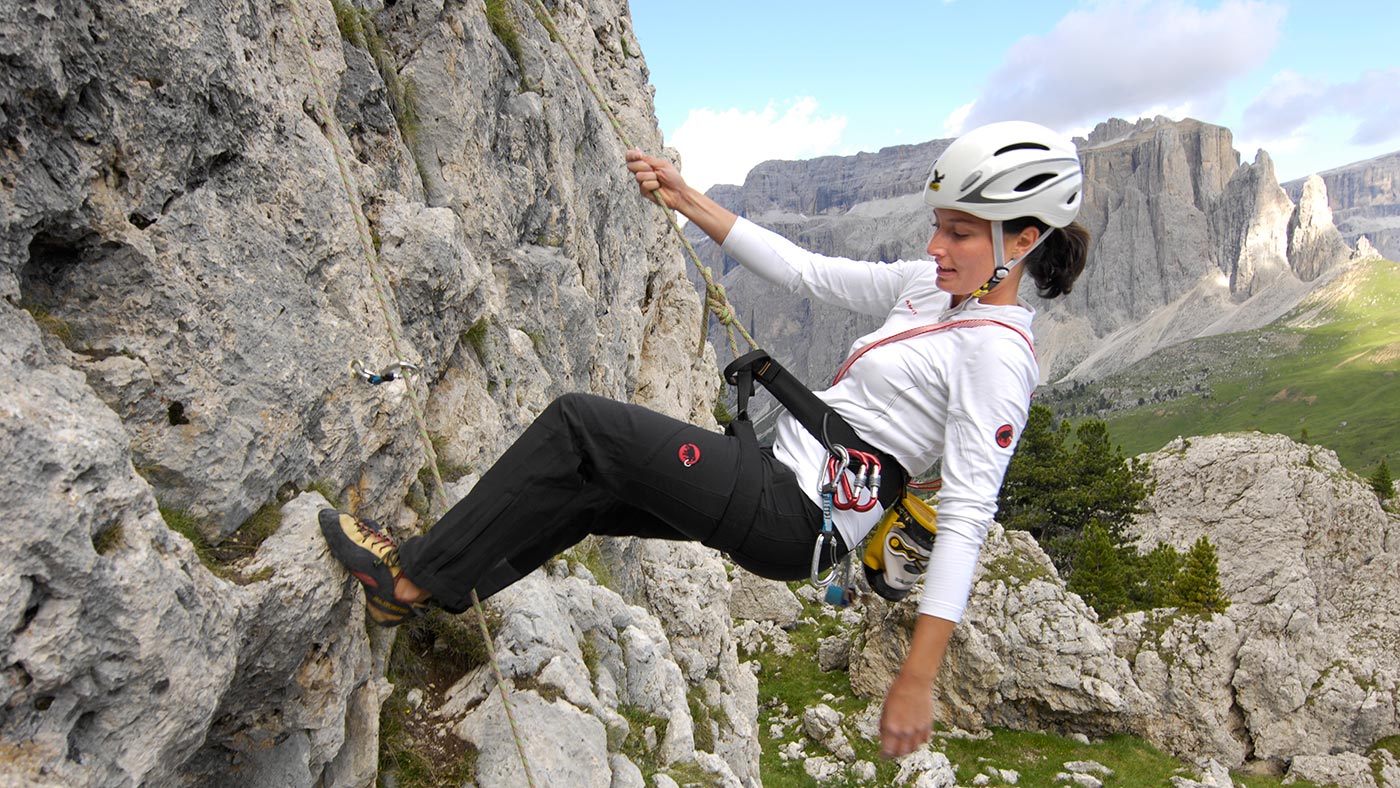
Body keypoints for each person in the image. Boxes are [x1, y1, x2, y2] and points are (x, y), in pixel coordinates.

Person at [320, 120, 1090, 759]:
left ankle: (410, 579)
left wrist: (918, 676)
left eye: (959, 232)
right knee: (593, 486)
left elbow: (966, 516)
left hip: (793, 515)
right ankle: (452, 591)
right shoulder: (933, 289)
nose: (935, 246)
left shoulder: (997, 356)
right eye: (937, 226)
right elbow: (810, 273)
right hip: (774, 477)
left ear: (1022, 240)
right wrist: (685, 198)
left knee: (579, 424)